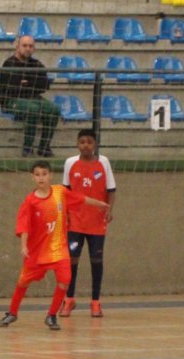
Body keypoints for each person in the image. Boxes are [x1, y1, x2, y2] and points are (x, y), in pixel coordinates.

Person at [0, 161, 108, 331]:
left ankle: (51, 315)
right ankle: (12, 312)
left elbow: (81, 199)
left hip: (59, 249)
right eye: (37, 175)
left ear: (50, 175)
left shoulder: (60, 192)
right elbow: (23, 226)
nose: (41, 178)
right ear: (32, 177)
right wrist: (23, 246)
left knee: (65, 280)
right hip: (38, 251)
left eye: (44, 174)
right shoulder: (30, 201)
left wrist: (100, 204)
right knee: (23, 282)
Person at [60, 129, 116, 319]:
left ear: (95, 144)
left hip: (96, 221)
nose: (86, 145)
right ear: (77, 144)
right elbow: (65, 192)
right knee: (72, 259)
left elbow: (111, 189)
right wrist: (65, 214)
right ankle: (69, 299)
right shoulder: (70, 163)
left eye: (90, 142)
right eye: (82, 142)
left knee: (96, 260)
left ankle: (95, 301)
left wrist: (109, 209)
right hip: (75, 221)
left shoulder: (104, 162)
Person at [0, 35, 61, 158]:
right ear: (17, 47)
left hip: (34, 98)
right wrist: (31, 84)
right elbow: (12, 88)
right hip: (11, 100)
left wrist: (26, 83)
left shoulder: (36, 64)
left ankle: (44, 148)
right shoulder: (9, 64)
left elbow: (44, 85)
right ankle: (27, 148)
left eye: (31, 46)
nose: (28, 49)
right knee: (32, 109)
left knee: (53, 109)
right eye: (25, 45)